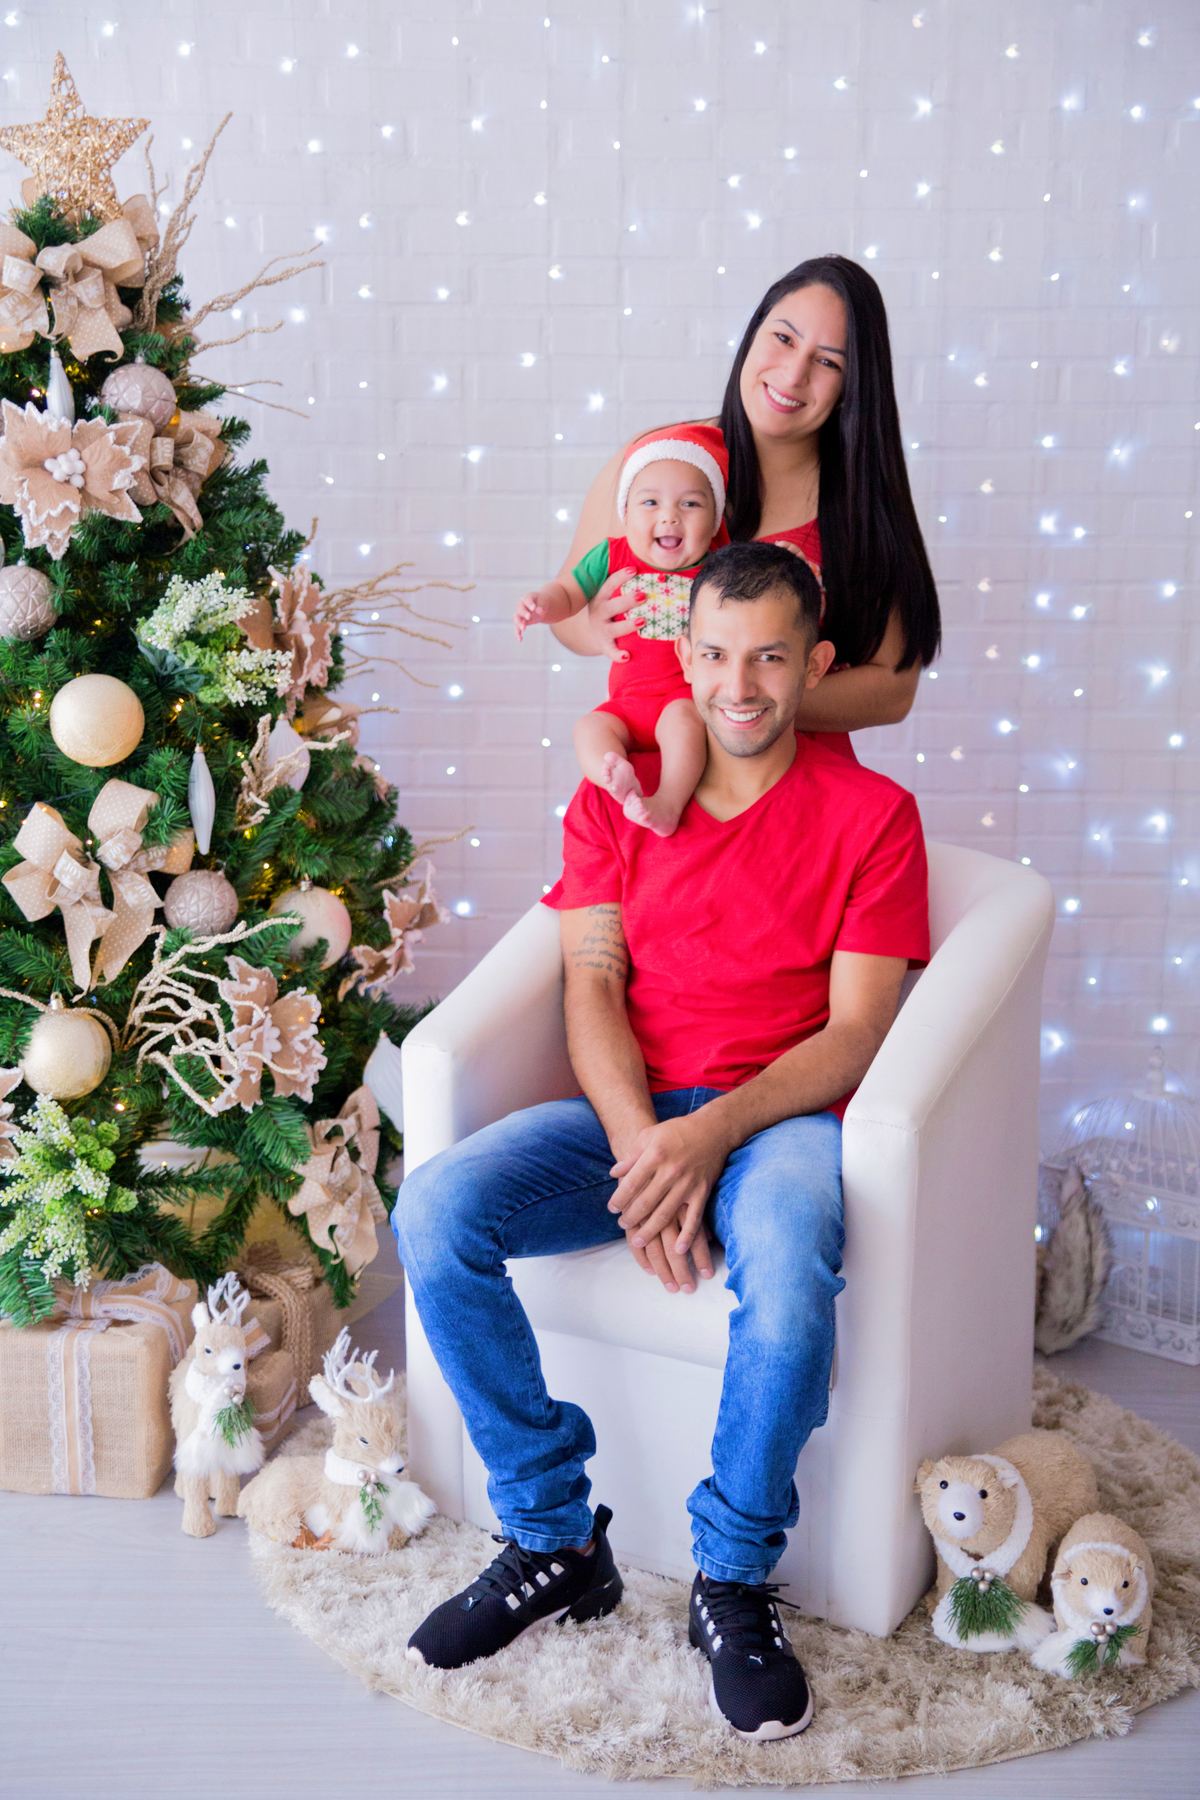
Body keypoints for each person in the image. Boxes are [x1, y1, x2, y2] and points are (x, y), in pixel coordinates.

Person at [395, 541, 930, 1742]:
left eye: (772, 658)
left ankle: (732, 1578)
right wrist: (646, 1149)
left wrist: (713, 1142)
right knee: (434, 1210)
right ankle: (550, 1540)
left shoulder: (875, 816)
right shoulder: (618, 795)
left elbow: (860, 1032)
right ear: (684, 655)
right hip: (630, 1113)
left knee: (789, 1272)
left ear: (815, 665)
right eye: (720, 656)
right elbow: (592, 980)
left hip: (781, 1122)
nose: (741, 686)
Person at [547, 254, 941, 760]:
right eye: (783, 338)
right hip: (657, 782)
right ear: (752, 335)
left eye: (828, 362)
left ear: (852, 387)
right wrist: (596, 624)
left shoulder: (862, 510)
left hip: (797, 795)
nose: (794, 373)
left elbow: (893, 692)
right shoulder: (656, 462)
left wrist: (739, 697)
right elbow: (566, 619)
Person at [514, 424, 730, 836]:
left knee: (684, 724)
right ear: (626, 513)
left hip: (683, 698)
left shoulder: (720, 567)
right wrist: (542, 604)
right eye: (650, 502)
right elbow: (569, 591)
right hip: (627, 705)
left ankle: (667, 802)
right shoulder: (612, 555)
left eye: (690, 504)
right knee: (590, 729)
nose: (669, 515)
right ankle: (615, 777)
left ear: (715, 519)